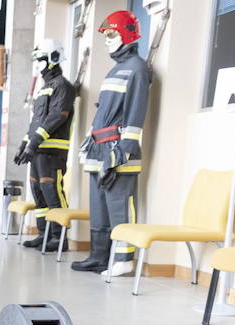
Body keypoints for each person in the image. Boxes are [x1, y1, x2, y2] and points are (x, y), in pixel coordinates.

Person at [71, 10, 151, 276]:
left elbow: (136, 112)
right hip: (99, 146)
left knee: (119, 205)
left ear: (128, 33)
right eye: (106, 36)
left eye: (112, 34)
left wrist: (124, 152)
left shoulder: (138, 69)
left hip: (118, 149)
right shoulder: (116, 69)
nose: (107, 40)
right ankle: (100, 255)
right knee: (99, 206)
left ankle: (123, 258)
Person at [14, 39, 76, 251]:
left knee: (52, 190)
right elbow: (36, 120)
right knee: (38, 190)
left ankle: (60, 238)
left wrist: (35, 142)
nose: (38, 63)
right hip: (38, 149)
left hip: (52, 151)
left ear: (54, 58)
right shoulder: (44, 88)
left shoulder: (63, 86)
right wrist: (24, 144)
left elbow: (56, 116)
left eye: (41, 59)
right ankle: (44, 234)